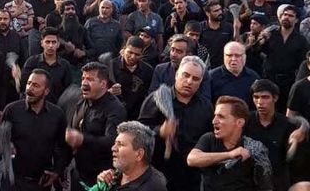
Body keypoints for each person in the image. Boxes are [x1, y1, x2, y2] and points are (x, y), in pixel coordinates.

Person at [139, 56, 213, 191]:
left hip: (191, 176)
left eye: (195, 79)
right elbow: (138, 133)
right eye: (186, 75)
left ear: (201, 82)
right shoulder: (157, 99)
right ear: (176, 74)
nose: (189, 81)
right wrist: (159, 131)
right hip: (158, 173)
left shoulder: (206, 107)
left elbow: (209, 138)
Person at [0, 69, 71, 190]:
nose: (29, 89)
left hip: (41, 183)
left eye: (36, 85)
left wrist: (57, 171)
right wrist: (6, 146)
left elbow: (63, 147)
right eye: (29, 83)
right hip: (13, 182)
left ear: (46, 91)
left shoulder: (57, 115)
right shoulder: (11, 110)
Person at [187, 95, 273, 191]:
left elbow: (266, 186)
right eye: (215, 116)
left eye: (221, 117)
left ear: (239, 122)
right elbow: (192, 159)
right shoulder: (209, 139)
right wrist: (230, 154)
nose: (214, 121)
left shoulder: (253, 148)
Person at [66, 62, 127, 189]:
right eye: (83, 78)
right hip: (78, 175)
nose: (84, 83)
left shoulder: (115, 109)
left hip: (101, 179)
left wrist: (83, 139)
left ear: (103, 84)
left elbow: (112, 142)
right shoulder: (81, 101)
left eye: (90, 79)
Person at [246, 79, 307, 191]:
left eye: (265, 97)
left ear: (275, 98)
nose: (260, 102)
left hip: (278, 183)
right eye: (256, 97)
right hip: (249, 181)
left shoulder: (287, 124)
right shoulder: (245, 122)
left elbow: (295, 160)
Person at [95, 121, 167, 191]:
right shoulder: (117, 175)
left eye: (120, 144)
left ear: (139, 154)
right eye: (115, 143)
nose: (113, 148)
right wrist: (100, 186)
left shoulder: (152, 187)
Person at [21, 27, 72, 104]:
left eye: (53, 42)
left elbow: (68, 92)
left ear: (58, 44)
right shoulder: (32, 62)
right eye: (47, 42)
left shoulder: (65, 65)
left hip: (56, 109)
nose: (50, 45)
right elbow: (24, 88)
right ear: (42, 43)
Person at [107, 36, 153, 120]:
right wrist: (109, 92)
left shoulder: (148, 71)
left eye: (137, 54)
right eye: (130, 52)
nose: (132, 57)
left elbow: (148, 96)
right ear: (123, 49)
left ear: (142, 54)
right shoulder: (111, 66)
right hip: (113, 114)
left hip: (136, 117)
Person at [209, 41, 260, 107]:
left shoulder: (253, 77)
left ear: (244, 57)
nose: (233, 59)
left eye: (237, 55)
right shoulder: (211, 77)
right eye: (229, 55)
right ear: (224, 56)